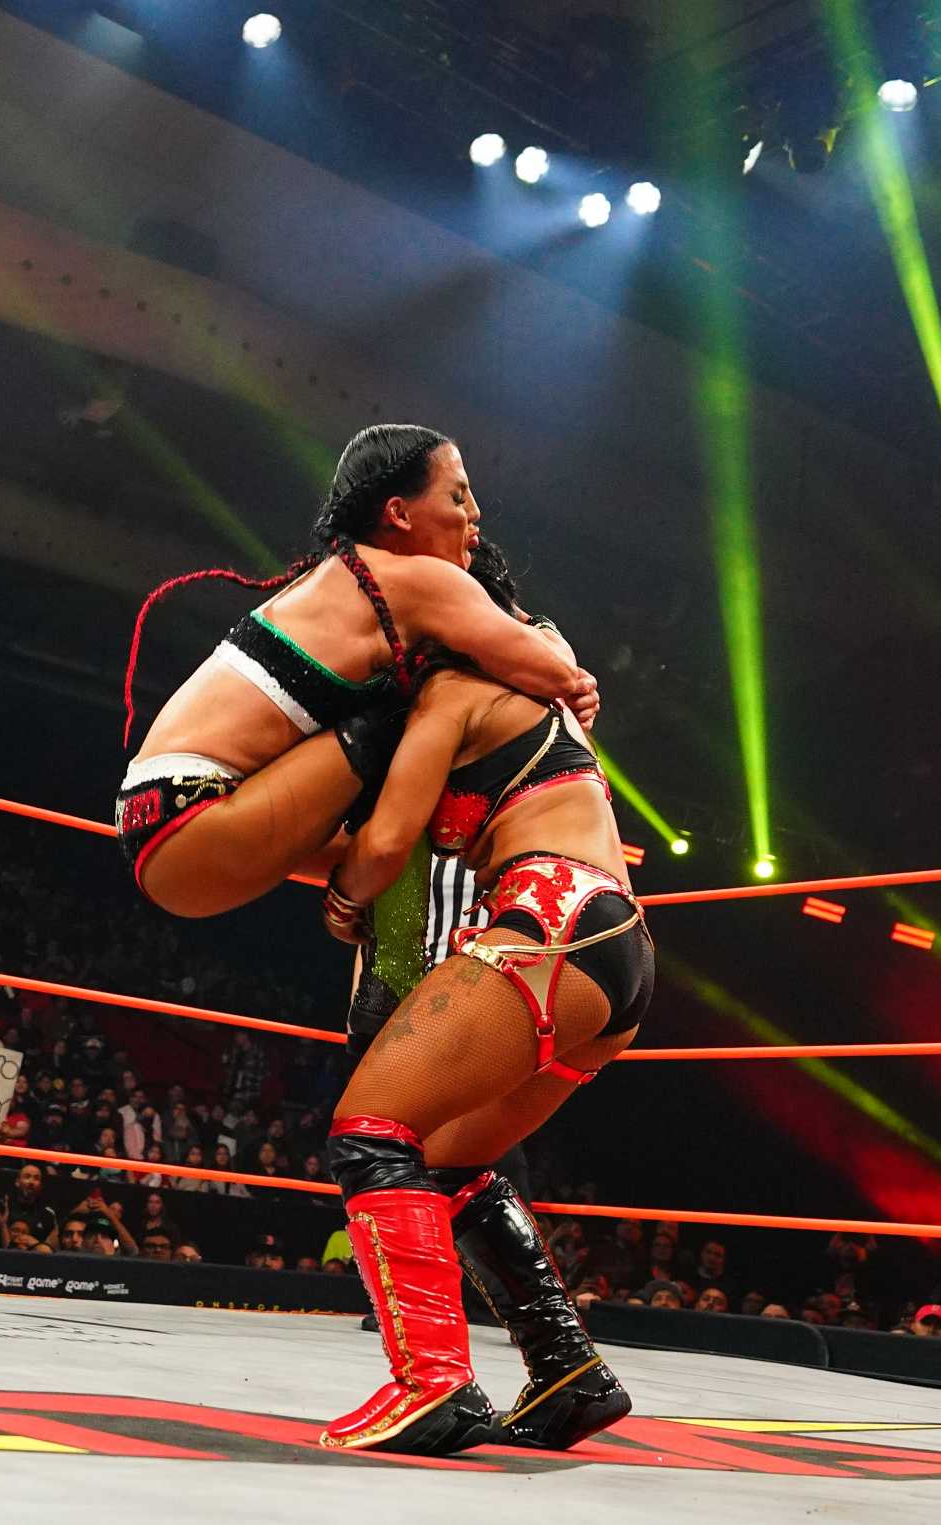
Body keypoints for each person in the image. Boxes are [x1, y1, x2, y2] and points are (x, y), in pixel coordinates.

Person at [308, 545, 650, 1456]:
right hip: (613, 947)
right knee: (447, 1159)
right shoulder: (538, 693)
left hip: (549, 920)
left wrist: (340, 897)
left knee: (370, 1132)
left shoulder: (454, 692)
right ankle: (567, 1369)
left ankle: (430, 1381)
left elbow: (385, 844)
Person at [118, 425, 597, 919]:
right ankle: (360, 904)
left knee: (404, 813)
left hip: (156, 816)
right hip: (195, 816)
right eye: (457, 496)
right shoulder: (415, 582)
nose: (474, 512)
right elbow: (559, 673)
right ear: (399, 513)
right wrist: (543, 637)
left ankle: (373, 902)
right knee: (424, 705)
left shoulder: (342, 577)